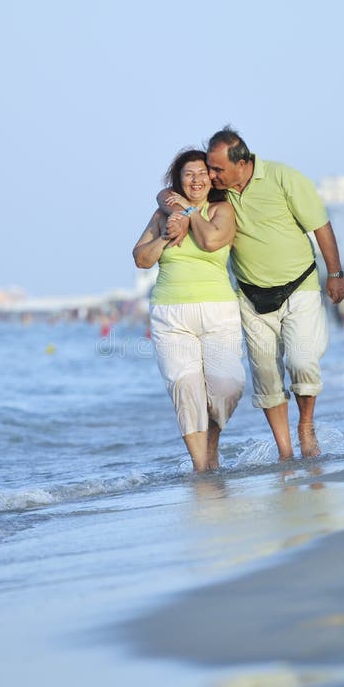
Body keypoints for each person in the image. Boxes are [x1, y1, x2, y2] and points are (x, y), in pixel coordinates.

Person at [159, 127, 344, 460]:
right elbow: (167, 195)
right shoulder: (220, 194)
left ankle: (305, 425)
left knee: (303, 361)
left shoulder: (283, 178)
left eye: (217, 169)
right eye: (209, 169)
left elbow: (320, 224)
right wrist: (181, 204)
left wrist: (335, 273)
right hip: (251, 296)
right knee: (267, 378)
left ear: (242, 162)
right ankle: (286, 451)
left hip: (299, 285)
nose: (211, 176)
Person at [133, 148, 245, 472]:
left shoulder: (221, 210)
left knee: (228, 386)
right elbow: (141, 259)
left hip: (219, 311)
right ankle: (202, 470)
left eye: (201, 173)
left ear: (211, 179)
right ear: (178, 181)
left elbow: (212, 241)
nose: (195, 179)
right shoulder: (162, 216)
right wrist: (168, 236)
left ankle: (211, 447)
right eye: (188, 175)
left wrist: (189, 213)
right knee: (185, 387)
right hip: (171, 313)